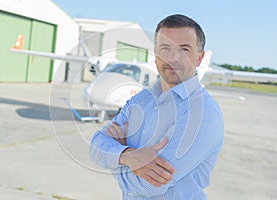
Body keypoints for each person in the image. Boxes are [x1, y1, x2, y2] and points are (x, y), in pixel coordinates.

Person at [89, 14, 224, 199]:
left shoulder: (204, 113)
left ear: (199, 58)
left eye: (184, 49)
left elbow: (150, 185)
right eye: (165, 48)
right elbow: (95, 146)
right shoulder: (140, 100)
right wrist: (128, 156)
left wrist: (115, 157)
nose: (173, 58)